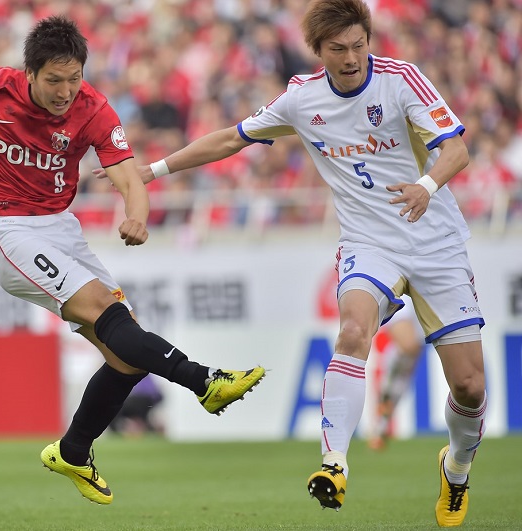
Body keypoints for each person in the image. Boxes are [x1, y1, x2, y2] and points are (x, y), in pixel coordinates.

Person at [0, 15, 265, 506]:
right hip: (11, 230)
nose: (65, 91)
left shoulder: (93, 109)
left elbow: (128, 176)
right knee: (106, 311)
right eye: (54, 80)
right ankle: (205, 381)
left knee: (126, 354)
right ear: (30, 74)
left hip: (62, 229)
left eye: (73, 78)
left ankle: (73, 451)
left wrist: (136, 216)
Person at [116, 0, 487, 525]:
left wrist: (426, 186)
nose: (352, 57)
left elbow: (456, 151)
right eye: (339, 49)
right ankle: (334, 465)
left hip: (436, 242)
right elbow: (230, 138)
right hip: (368, 243)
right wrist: (151, 172)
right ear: (318, 50)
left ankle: (457, 466)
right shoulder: (301, 98)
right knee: (353, 332)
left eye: (359, 45)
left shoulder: (401, 80)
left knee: (469, 386)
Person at [369, 301, 426, 451]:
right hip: (402, 294)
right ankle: (385, 392)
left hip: (424, 297)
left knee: (410, 359)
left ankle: (381, 425)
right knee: (408, 345)